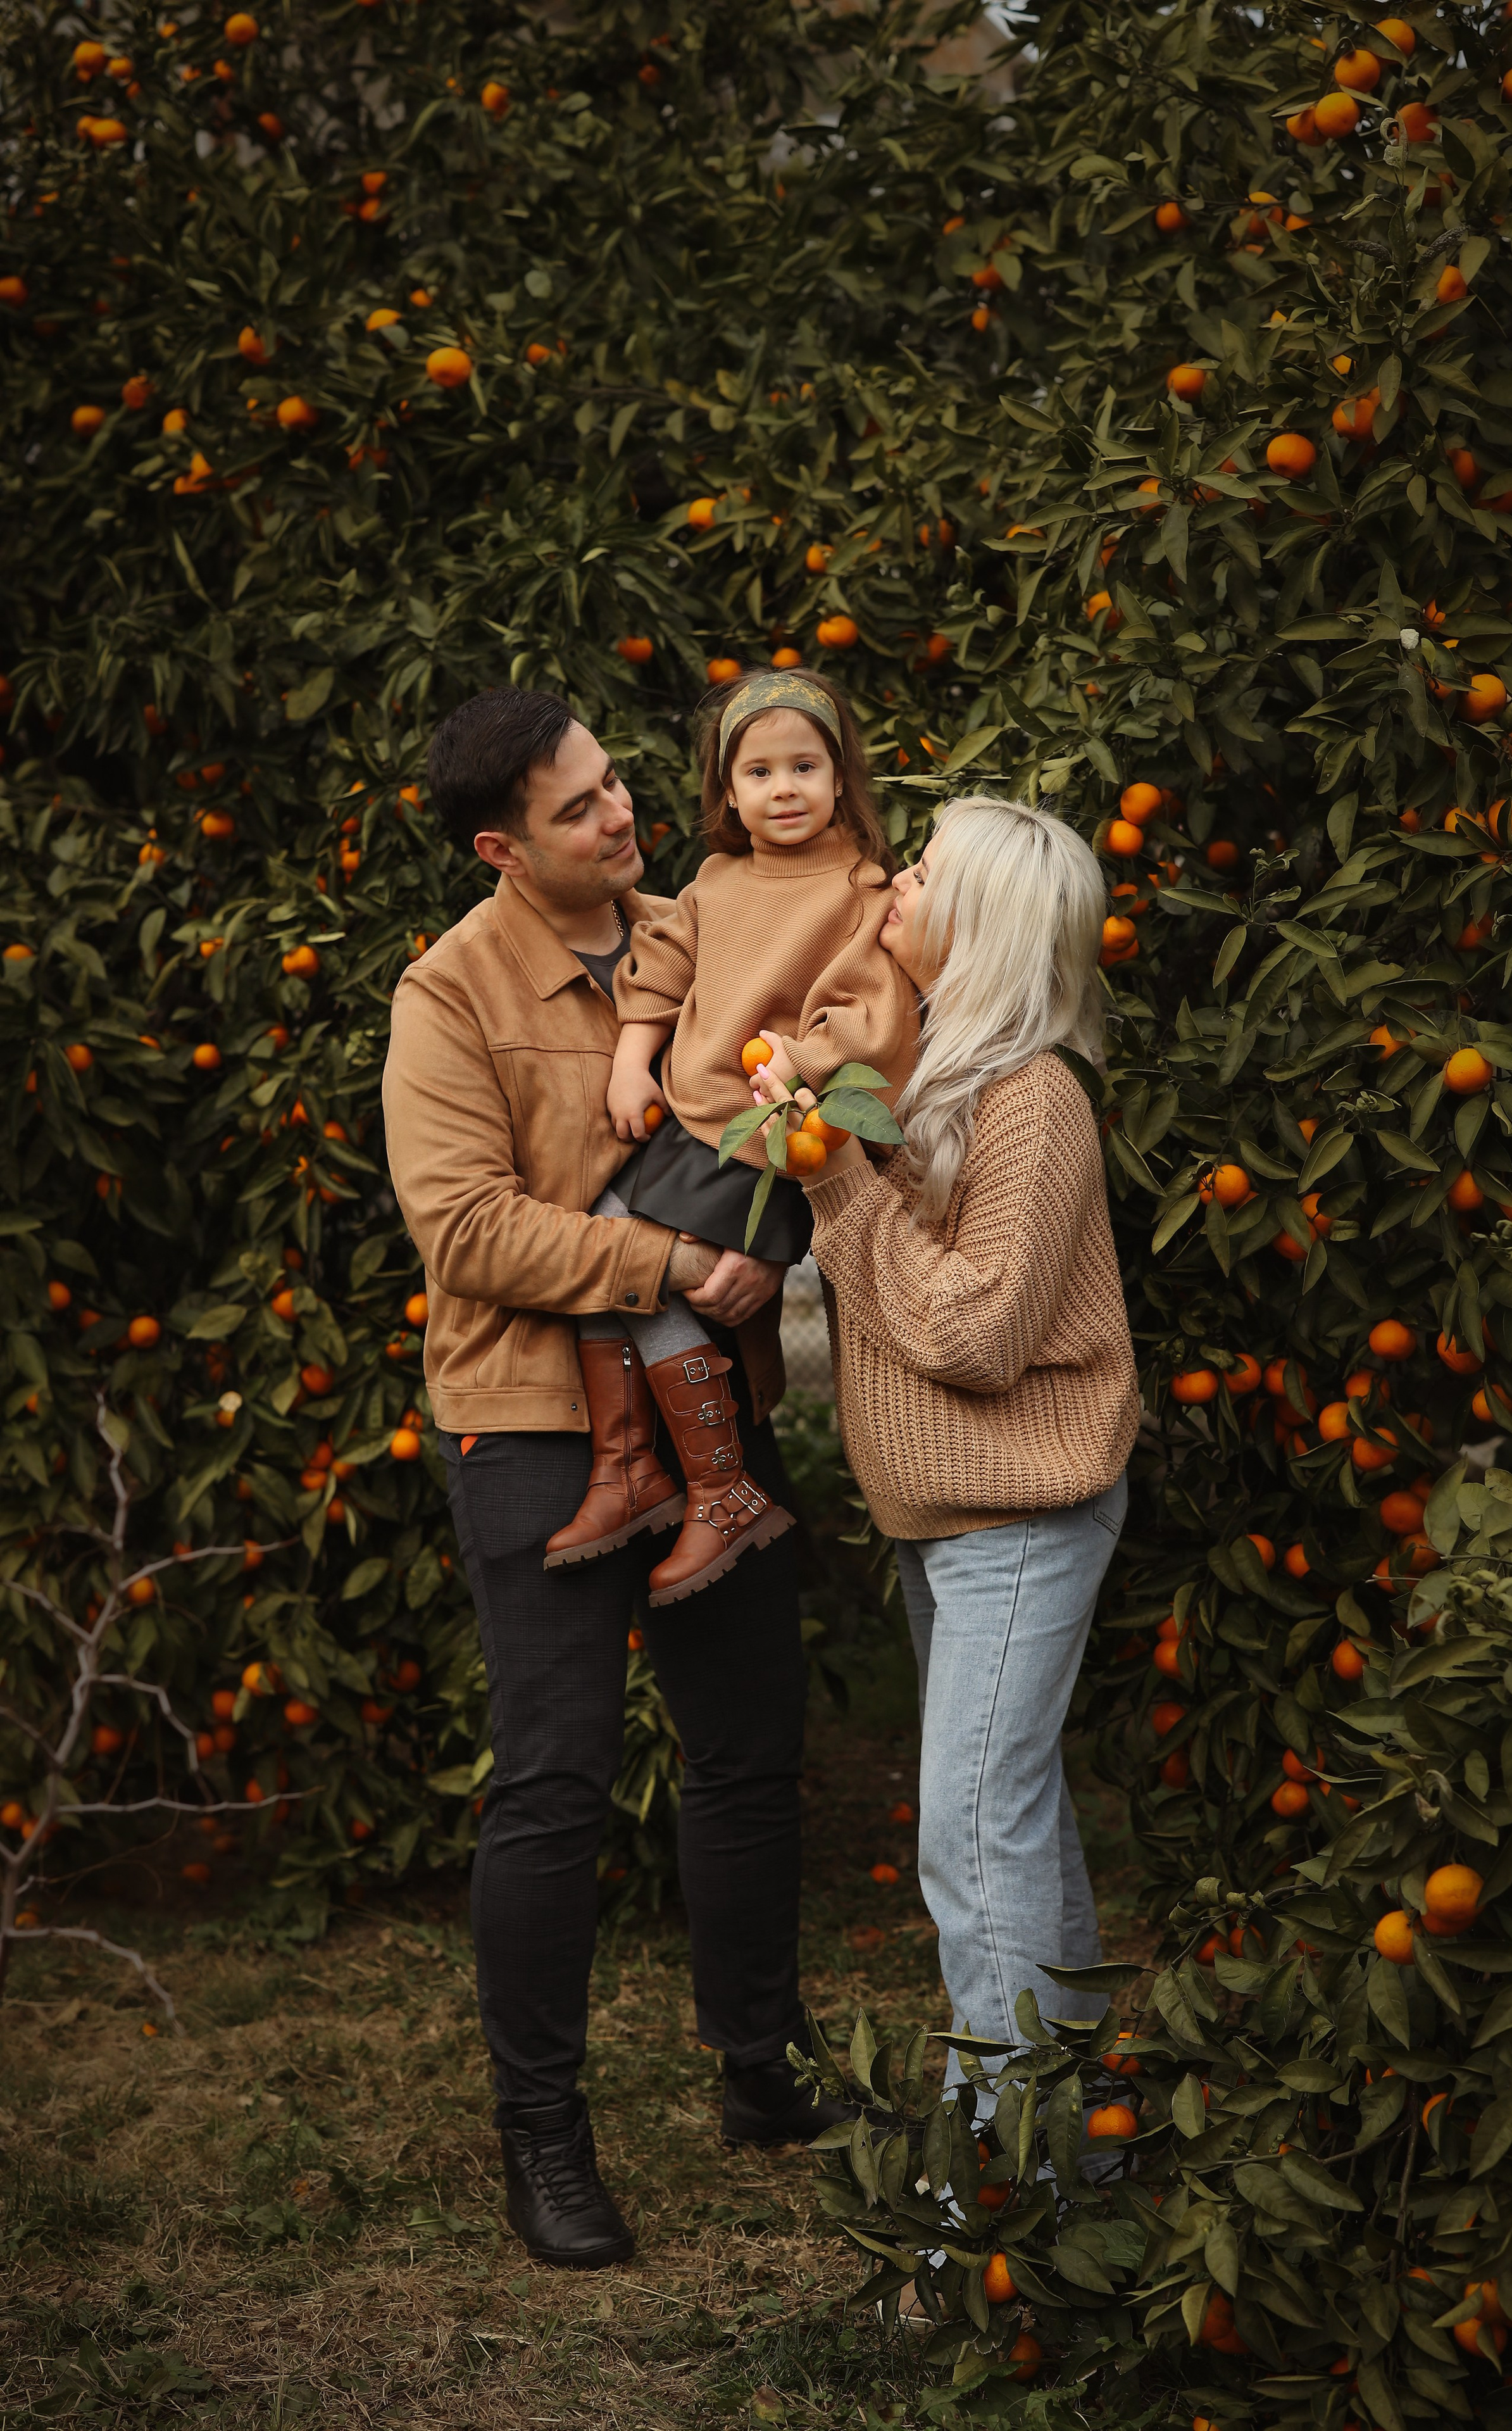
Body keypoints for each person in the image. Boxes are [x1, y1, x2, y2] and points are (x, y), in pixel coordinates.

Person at [380, 686, 845, 2275]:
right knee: (557, 1780)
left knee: (744, 1748)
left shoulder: (703, 920)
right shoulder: (446, 993)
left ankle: (759, 2068)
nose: (624, 811)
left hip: (710, 1394)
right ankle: (545, 2138)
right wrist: (668, 1256)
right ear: (504, 847)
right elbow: (469, 1229)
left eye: (617, 782)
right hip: (529, 1424)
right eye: (581, 807)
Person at [753, 794, 1138, 2087]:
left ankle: (998, 2190)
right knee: (1008, 1827)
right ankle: (1066, 2168)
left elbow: (968, 1336)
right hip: (950, 1522)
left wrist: (831, 1176)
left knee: (974, 1840)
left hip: (1018, 1521)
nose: (894, 883)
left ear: (977, 921)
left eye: (922, 872)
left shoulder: (1031, 1103)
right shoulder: (941, 1082)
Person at [542, 665, 920, 1602]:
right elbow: (659, 968)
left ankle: (710, 1484)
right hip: (691, 1126)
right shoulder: (715, 882)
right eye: (758, 772)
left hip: (767, 1137)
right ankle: (641, 1467)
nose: (783, 788)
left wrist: (796, 1066)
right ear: (728, 791)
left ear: (842, 780)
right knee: (600, 1246)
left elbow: (874, 1021)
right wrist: (634, 1059)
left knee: (635, 1255)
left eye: (804, 767)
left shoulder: (864, 890)